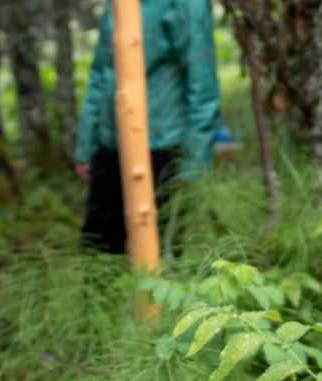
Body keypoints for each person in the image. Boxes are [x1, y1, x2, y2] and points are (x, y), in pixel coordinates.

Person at [74, 0, 220, 255]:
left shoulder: (187, 5)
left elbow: (203, 87)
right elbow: (100, 73)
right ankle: (110, 296)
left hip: (162, 148)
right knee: (98, 247)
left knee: (162, 251)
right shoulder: (117, 5)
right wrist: (86, 145)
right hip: (110, 146)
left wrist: (192, 164)